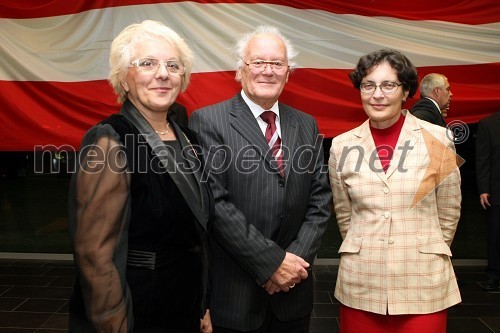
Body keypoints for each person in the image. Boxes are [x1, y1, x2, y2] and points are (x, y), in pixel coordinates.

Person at [67, 20, 213, 333]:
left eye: (173, 65)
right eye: (147, 63)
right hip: (138, 312)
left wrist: (202, 304)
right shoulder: (109, 141)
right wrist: (114, 326)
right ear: (124, 77)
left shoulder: (189, 139)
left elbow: (194, 236)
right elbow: (96, 258)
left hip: (183, 308)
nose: (163, 74)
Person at [189, 26, 332, 333]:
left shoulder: (305, 124)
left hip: (294, 296)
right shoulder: (207, 121)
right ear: (241, 70)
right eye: (258, 62)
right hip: (236, 299)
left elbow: (320, 200)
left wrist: (293, 264)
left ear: (288, 72)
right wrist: (272, 265)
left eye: (277, 63)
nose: (268, 71)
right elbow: (216, 203)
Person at [328, 49, 462, 333]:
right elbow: (344, 214)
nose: (378, 94)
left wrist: (426, 250)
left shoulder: (439, 139)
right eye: (369, 85)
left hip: (423, 282)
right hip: (361, 283)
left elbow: (449, 210)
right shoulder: (341, 146)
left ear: (406, 91)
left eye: (389, 85)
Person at [476, 111, 500, 290]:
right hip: (496, 190)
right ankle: (493, 275)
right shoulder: (488, 124)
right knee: (496, 235)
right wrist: (483, 189)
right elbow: (483, 158)